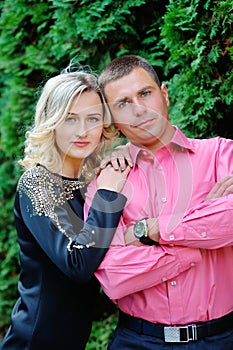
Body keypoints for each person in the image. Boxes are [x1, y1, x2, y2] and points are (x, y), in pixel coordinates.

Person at [84, 55, 233, 349]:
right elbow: (113, 276)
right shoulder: (108, 182)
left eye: (145, 93)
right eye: (123, 103)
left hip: (222, 338)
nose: (139, 110)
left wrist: (147, 231)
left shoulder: (220, 154)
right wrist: (201, 239)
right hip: (138, 341)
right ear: (112, 119)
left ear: (164, 94)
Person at [0, 67, 131, 350]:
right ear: (52, 122)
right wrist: (108, 194)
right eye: (70, 119)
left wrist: (124, 156)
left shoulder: (90, 182)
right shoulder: (37, 182)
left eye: (92, 119)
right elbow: (77, 262)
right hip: (34, 342)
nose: (83, 131)